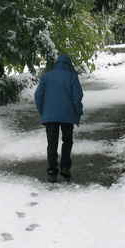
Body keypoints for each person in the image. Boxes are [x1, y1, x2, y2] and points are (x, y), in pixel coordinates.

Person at [34, 54, 84, 183]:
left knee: (52, 143)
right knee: (67, 141)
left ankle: (52, 171)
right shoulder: (72, 77)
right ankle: (65, 168)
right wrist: (78, 113)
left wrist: (43, 112)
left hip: (50, 116)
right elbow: (77, 97)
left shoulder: (46, 76)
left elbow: (38, 96)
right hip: (68, 115)